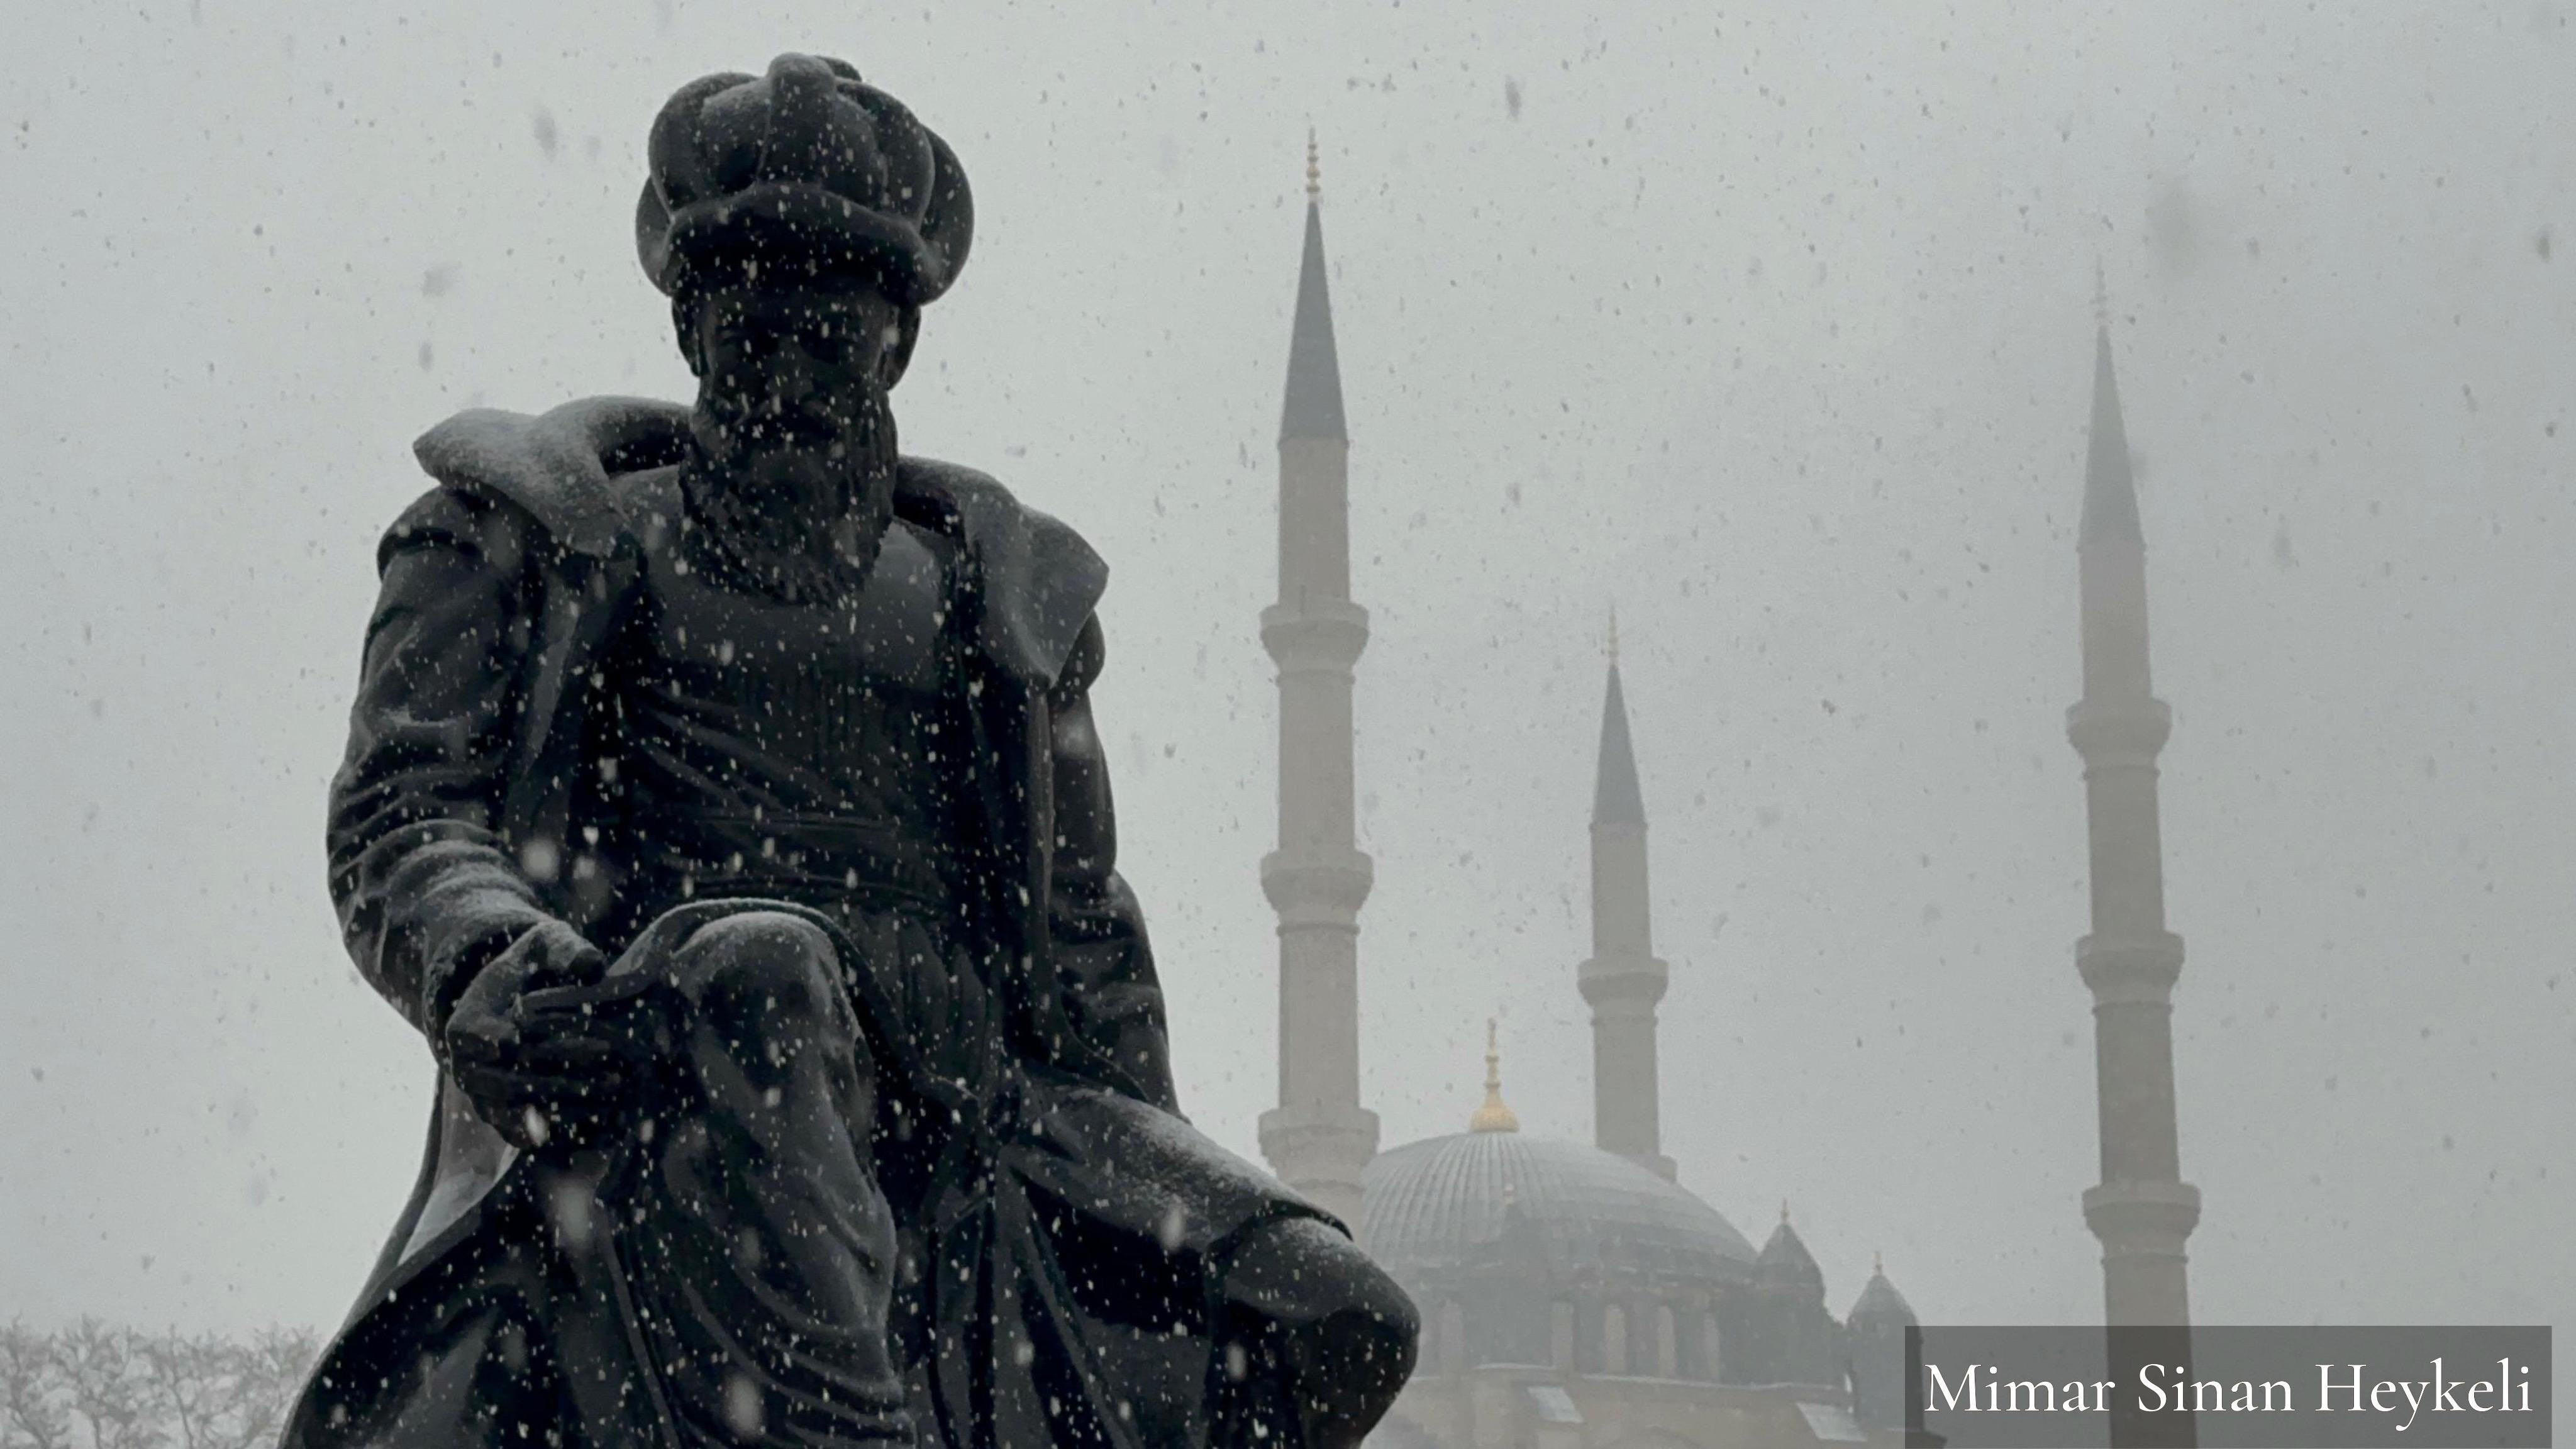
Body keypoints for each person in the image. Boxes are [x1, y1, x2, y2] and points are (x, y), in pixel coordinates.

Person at [282, 52, 1416, 1449]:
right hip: (673, 1037)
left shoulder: (993, 607)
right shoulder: (545, 533)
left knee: (1338, 1311)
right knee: (765, 973)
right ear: (694, 332)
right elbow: (406, 813)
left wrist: (1151, 1173)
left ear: (894, 350)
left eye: (833, 341)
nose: (792, 380)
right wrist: (490, 962)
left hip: (965, 1084)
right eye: (755, 335)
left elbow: (1080, 932)